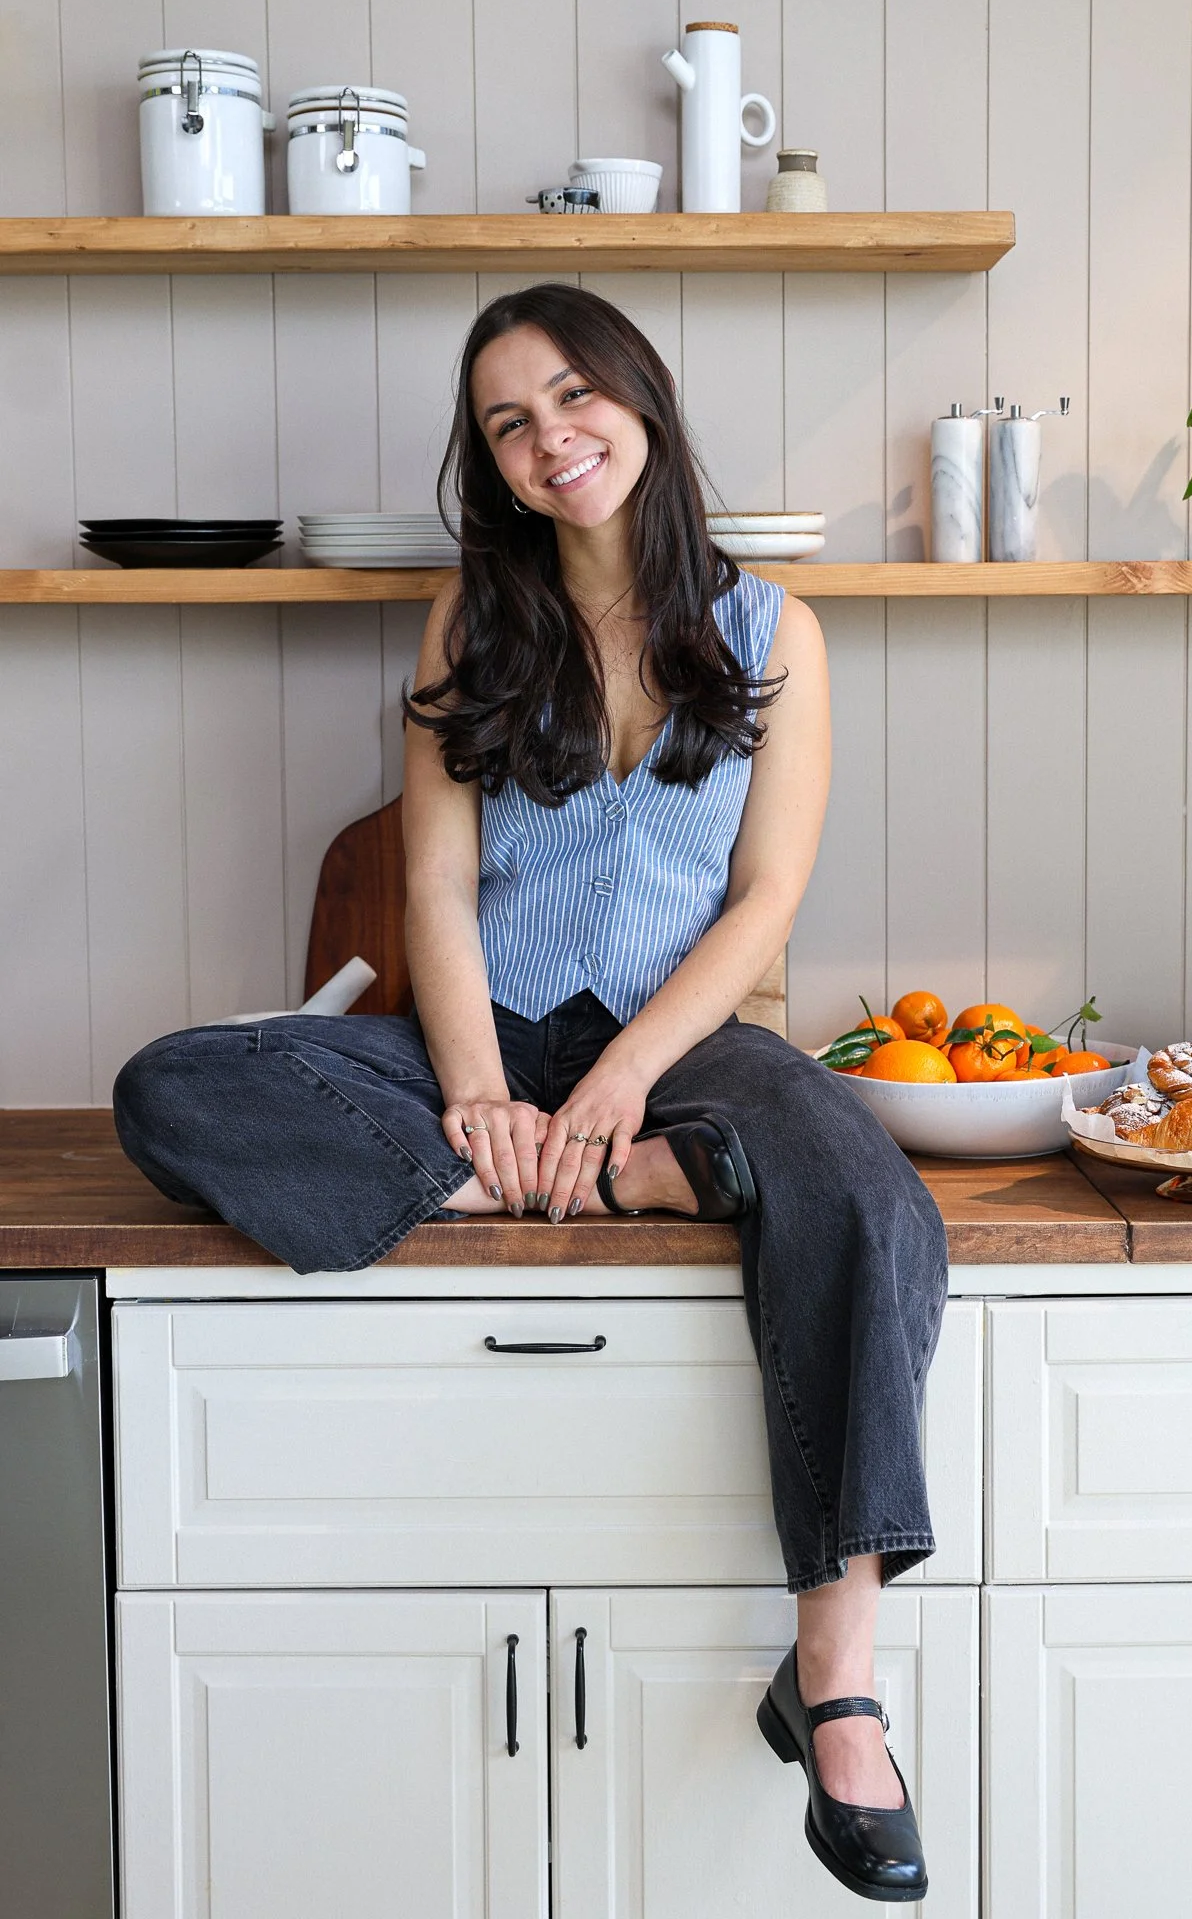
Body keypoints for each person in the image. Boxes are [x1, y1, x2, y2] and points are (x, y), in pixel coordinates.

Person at [113, 283, 948, 1903]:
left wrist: (631, 1082)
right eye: (510, 421)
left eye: (573, 396)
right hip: (481, 1041)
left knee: (861, 1183)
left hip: (683, 1045)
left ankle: (834, 1673)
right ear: (489, 464)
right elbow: (431, 889)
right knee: (173, 1086)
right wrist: (486, 1105)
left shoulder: (779, 632)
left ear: (638, 400)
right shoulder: (468, 622)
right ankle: (539, 1179)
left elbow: (764, 902)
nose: (552, 437)